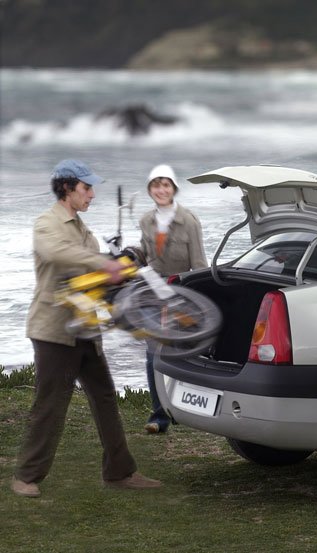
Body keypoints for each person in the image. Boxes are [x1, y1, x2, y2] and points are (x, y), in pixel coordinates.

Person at [11, 159, 162, 498]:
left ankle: (120, 473)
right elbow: (60, 255)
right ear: (67, 188)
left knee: (105, 396)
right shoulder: (47, 224)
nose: (92, 194)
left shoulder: (83, 229)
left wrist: (123, 265)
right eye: (87, 188)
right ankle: (26, 476)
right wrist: (104, 263)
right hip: (54, 330)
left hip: (85, 327)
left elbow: (92, 278)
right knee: (51, 403)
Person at [137, 164, 208, 434]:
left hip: (180, 290)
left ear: (173, 188)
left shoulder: (189, 220)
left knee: (183, 352)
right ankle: (159, 417)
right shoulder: (145, 221)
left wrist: (198, 300)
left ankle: (190, 408)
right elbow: (144, 256)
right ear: (150, 190)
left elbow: (199, 263)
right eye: (156, 185)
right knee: (153, 353)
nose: (161, 190)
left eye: (166, 184)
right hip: (152, 291)